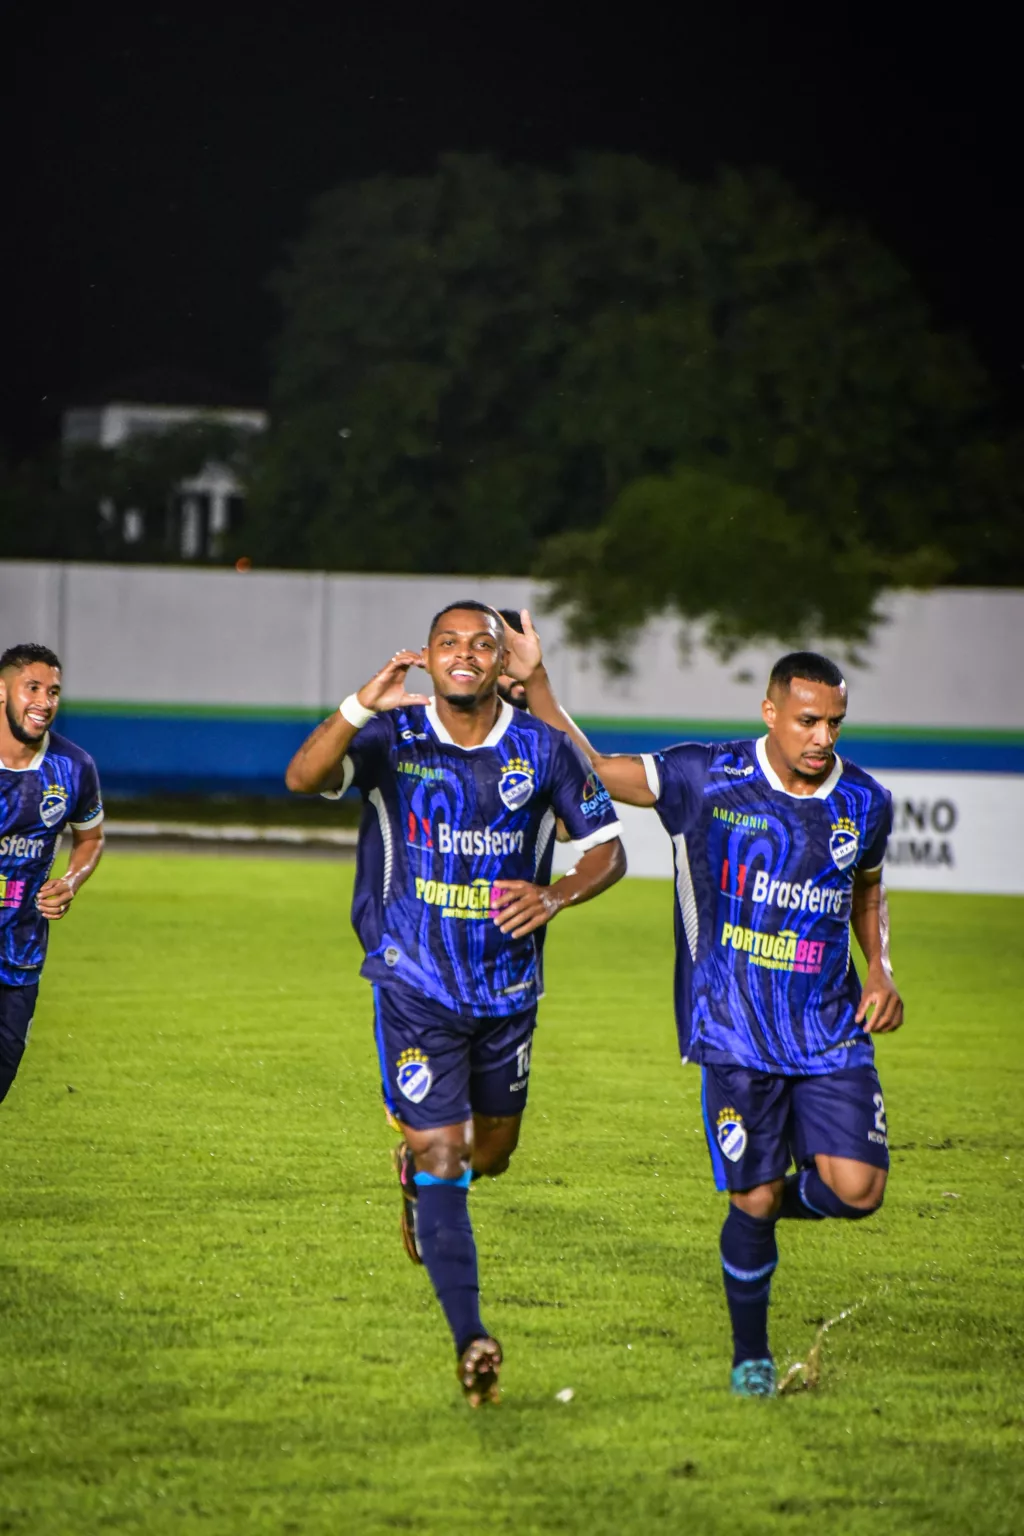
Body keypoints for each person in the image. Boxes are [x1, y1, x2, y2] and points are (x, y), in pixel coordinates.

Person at [507, 615, 902, 1397]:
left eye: (834, 722)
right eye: (807, 720)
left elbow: (867, 889)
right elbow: (589, 769)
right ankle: (749, 1353)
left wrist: (882, 969)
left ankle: (757, 1206)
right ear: (771, 712)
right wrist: (541, 686)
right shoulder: (704, 775)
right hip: (734, 1029)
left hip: (829, 1028)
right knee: (750, 1196)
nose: (822, 737)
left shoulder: (866, 800)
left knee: (858, 1191)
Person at [285, 601, 625, 1405]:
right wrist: (357, 705)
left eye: (483, 644)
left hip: (507, 990)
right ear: (428, 658)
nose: (465, 654)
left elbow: (607, 848)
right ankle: (470, 1336)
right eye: (449, 643)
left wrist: (557, 894)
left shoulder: (542, 750)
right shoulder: (390, 738)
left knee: (491, 1155)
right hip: (414, 981)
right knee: (448, 1156)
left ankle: (421, 1173)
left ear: (502, 662)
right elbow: (302, 779)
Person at [0, 643, 105, 1109]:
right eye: (33, 688)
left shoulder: (73, 766)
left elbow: (90, 837)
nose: (45, 701)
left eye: (54, 691)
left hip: (20, 953)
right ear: (1, 692)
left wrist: (71, 881)